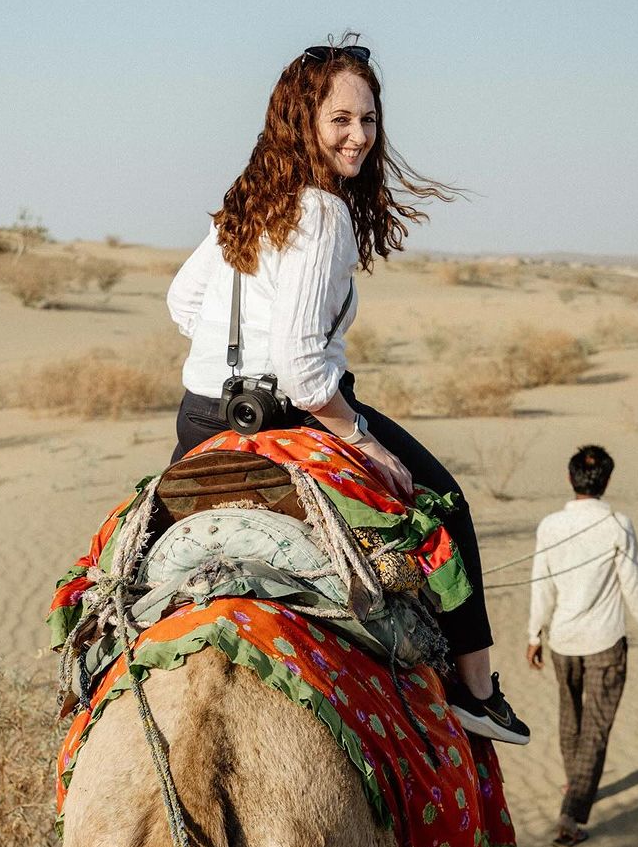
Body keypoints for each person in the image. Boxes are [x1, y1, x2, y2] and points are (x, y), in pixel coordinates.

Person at [165, 38, 529, 744]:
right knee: (442, 502)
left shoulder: (248, 201)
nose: (358, 136)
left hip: (201, 421)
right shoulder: (323, 214)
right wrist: (358, 437)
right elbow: (304, 370)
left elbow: (183, 302)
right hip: (291, 415)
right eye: (340, 120)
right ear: (302, 122)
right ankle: (477, 692)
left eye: (368, 120)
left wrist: (230, 350)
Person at [526, 445, 638, 845]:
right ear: (607, 479)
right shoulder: (618, 524)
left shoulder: (551, 525)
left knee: (572, 717)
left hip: (563, 641)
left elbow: (541, 584)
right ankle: (572, 815)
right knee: (595, 728)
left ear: (571, 479)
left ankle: (577, 786)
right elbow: (634, 581)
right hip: (605, 641)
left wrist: (534, 633)